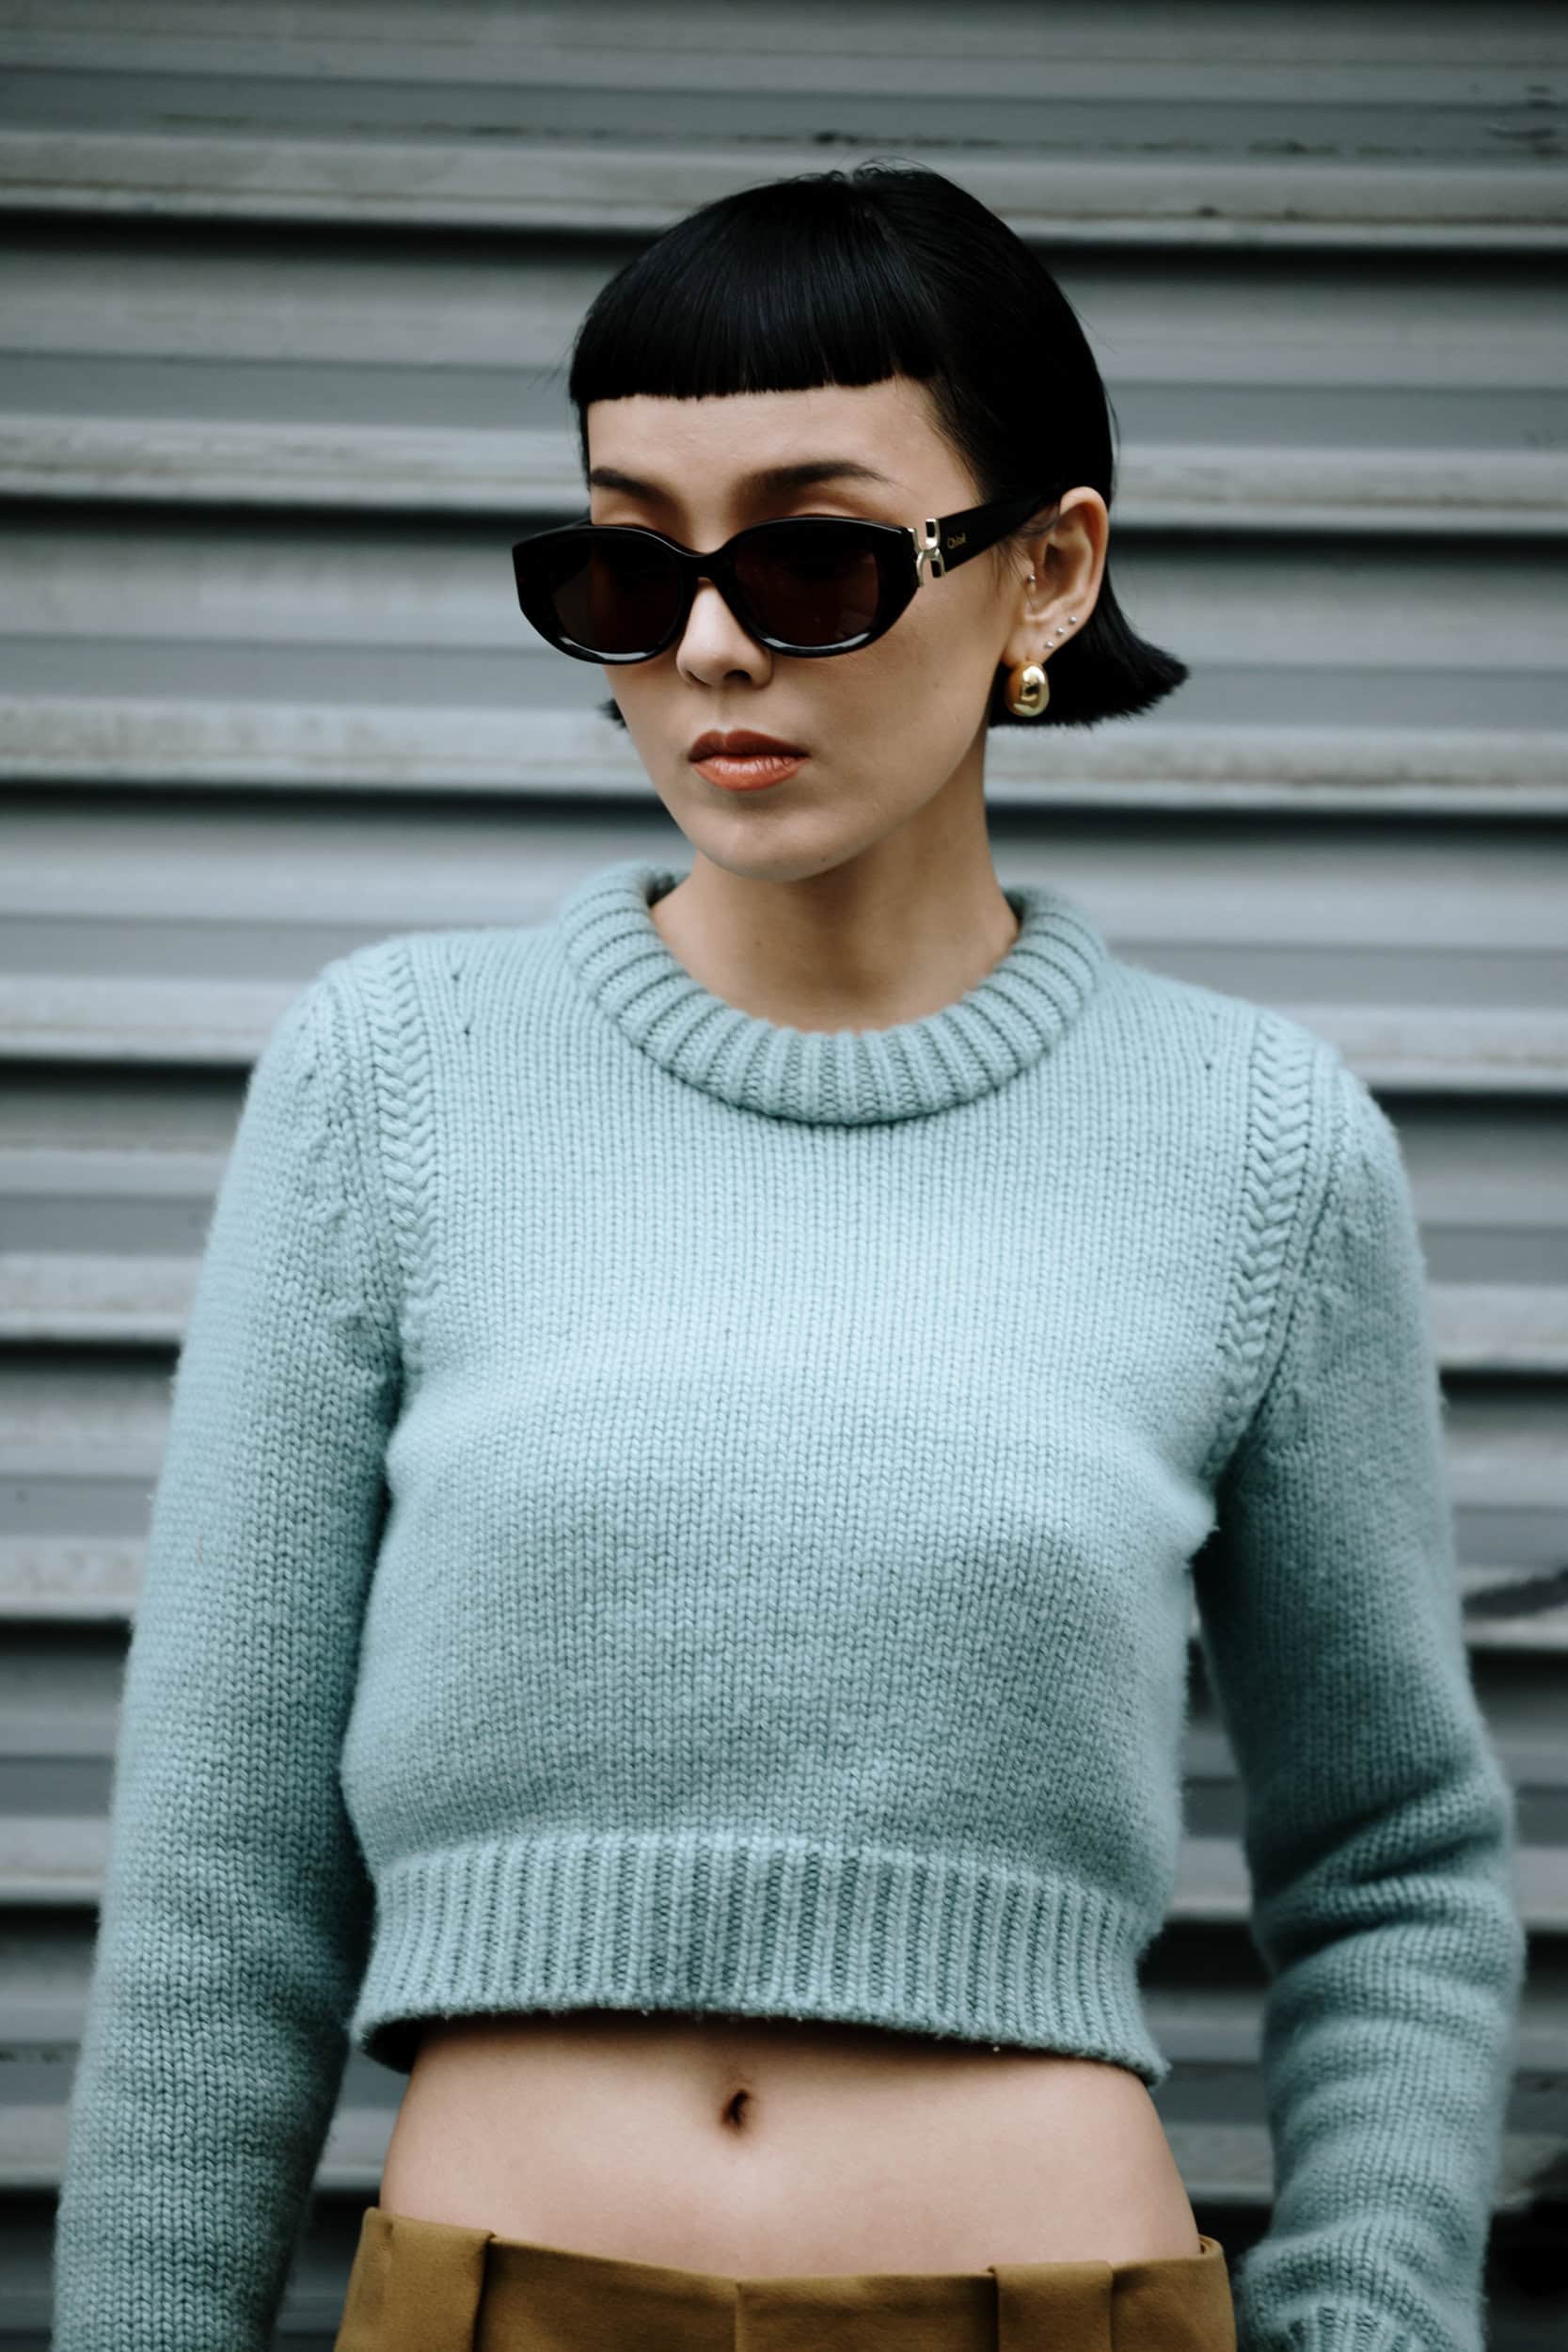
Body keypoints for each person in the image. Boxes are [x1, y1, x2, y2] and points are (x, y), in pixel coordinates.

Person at [51, 164, 1524, 2352]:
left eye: (814, 557)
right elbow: (221, 1882)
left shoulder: (1258, 1141)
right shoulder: (391, 1077)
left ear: (1049, 570)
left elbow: (1395, 1862)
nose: (712, 645)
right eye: (627, 567)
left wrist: (1374, 2317)